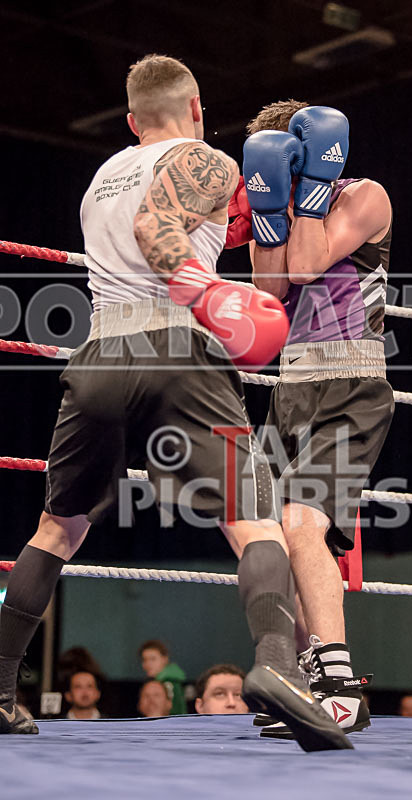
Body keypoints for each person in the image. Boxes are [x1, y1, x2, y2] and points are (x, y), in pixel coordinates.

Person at [0, 55, 351, 752]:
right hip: (176, 349)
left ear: (132, 120)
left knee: (57, 529)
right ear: (196, 108)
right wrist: (208, 292)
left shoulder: (101, 178)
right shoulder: (207, 161)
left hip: (100, 357)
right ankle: (278, 672)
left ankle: (0, 689)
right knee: (254, 523)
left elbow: (172, 225)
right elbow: (156, 232)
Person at [241, 100, 394, 738]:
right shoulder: (270, 206)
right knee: (276, 533)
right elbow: (270, 288)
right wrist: (272, 210)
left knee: (304, 518)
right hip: (291, 385)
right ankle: (307, 681)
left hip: (351, 382)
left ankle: (339, 688)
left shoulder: (366, 197)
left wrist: (305, 196)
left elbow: (307, 266)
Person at [139, 639, 186, 715]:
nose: (148, 664)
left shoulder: (169, 683)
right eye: (144, 660)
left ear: (165, 659)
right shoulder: (163, 681)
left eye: (153, 659)